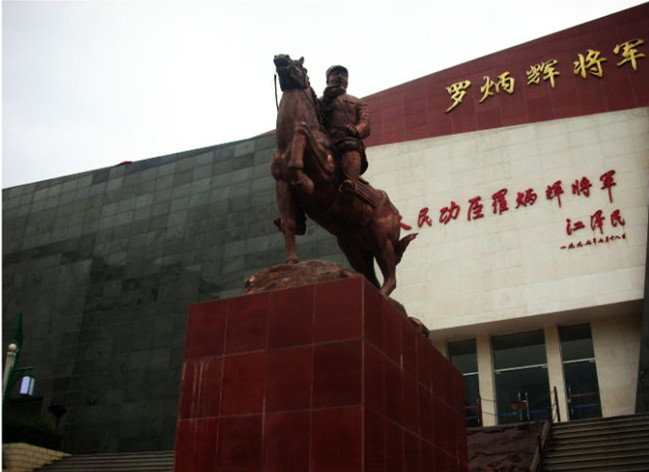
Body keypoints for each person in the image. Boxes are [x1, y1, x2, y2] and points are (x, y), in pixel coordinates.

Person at [318, 65, 370, 190]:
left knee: (350, 145)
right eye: (335, 74)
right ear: (328, 80)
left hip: (347, 142)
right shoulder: (319, 102)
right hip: (324, 144)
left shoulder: (358, 102)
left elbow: (365, 123)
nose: (340, 77)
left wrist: (356, 130)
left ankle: (350, 185)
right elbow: (314, 119)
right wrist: (327, 99)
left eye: (343, 74)